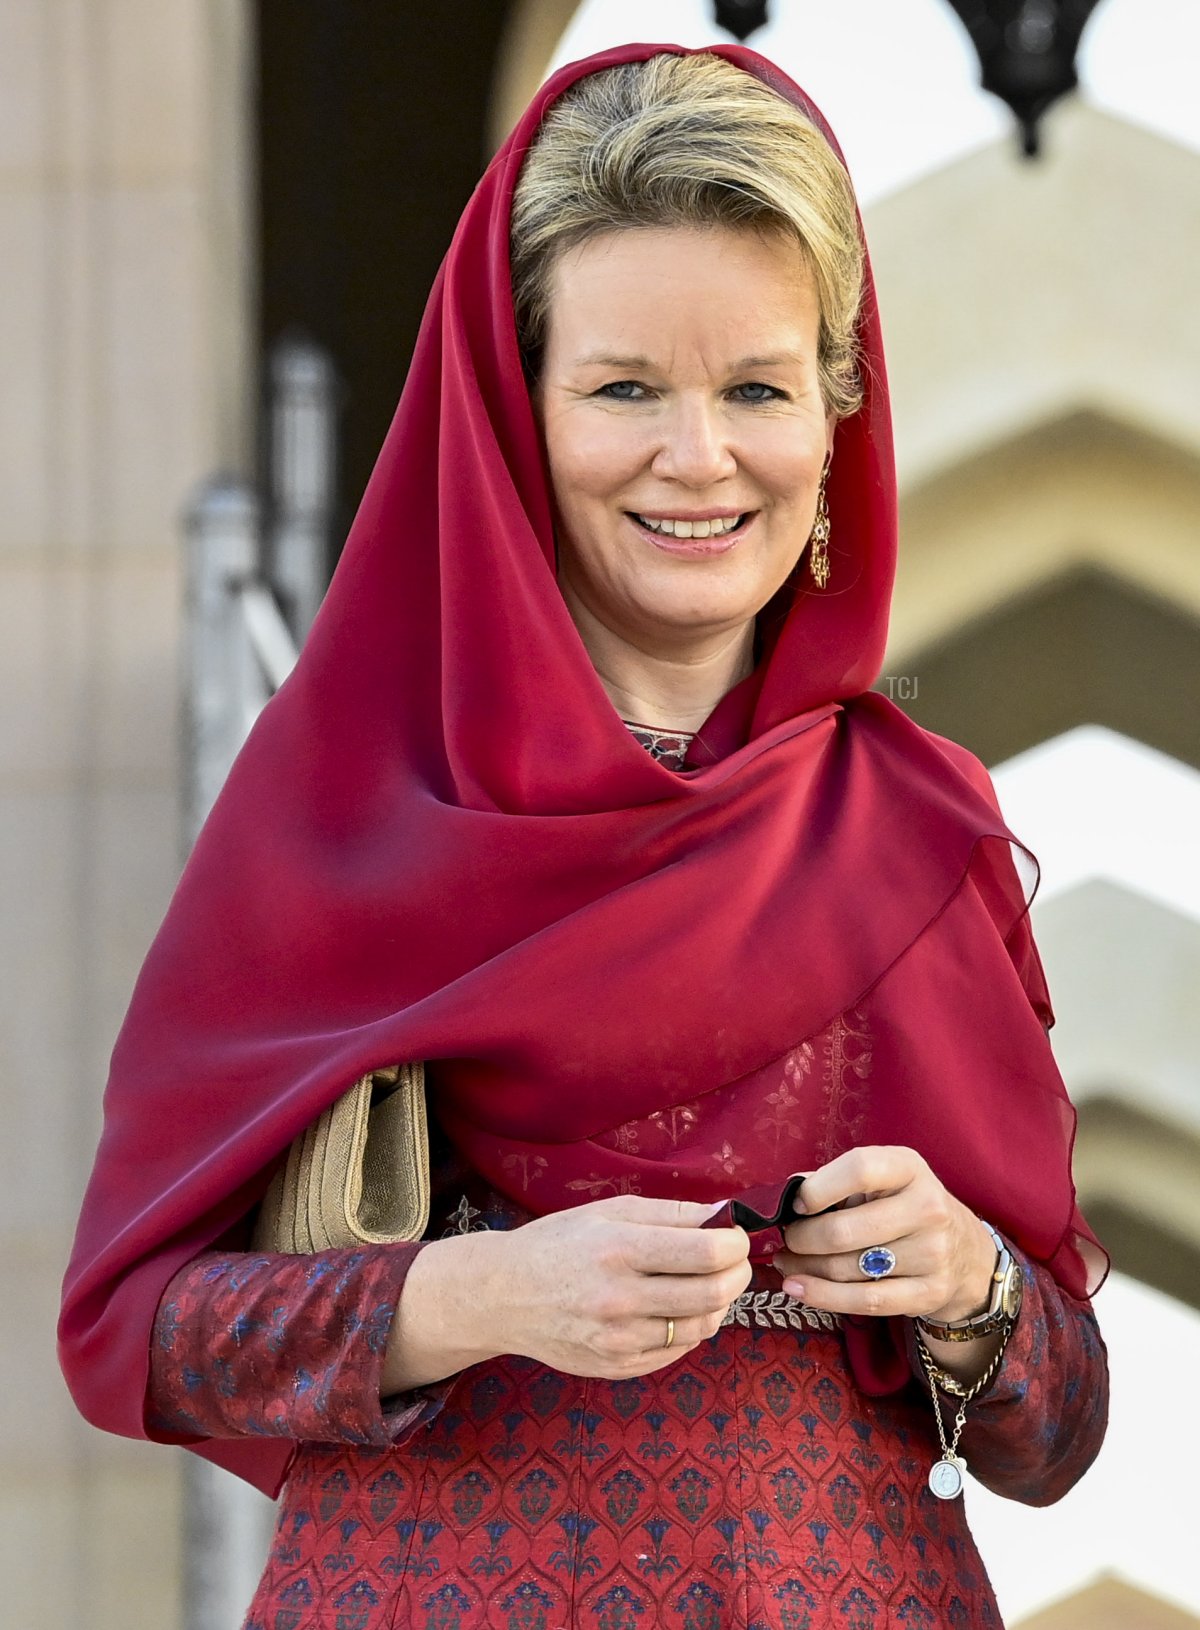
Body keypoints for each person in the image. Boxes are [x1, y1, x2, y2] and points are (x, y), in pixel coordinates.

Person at [59, 39, 1109, 1630]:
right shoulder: (341, 805)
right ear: (516, 417)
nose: (699, 457)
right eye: (625, 389)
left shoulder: (919, 829)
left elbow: (1057, 1428)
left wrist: (967, 1281)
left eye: (757, 389)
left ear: (835, 419)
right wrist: (473, 1293)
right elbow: (134, 1329)